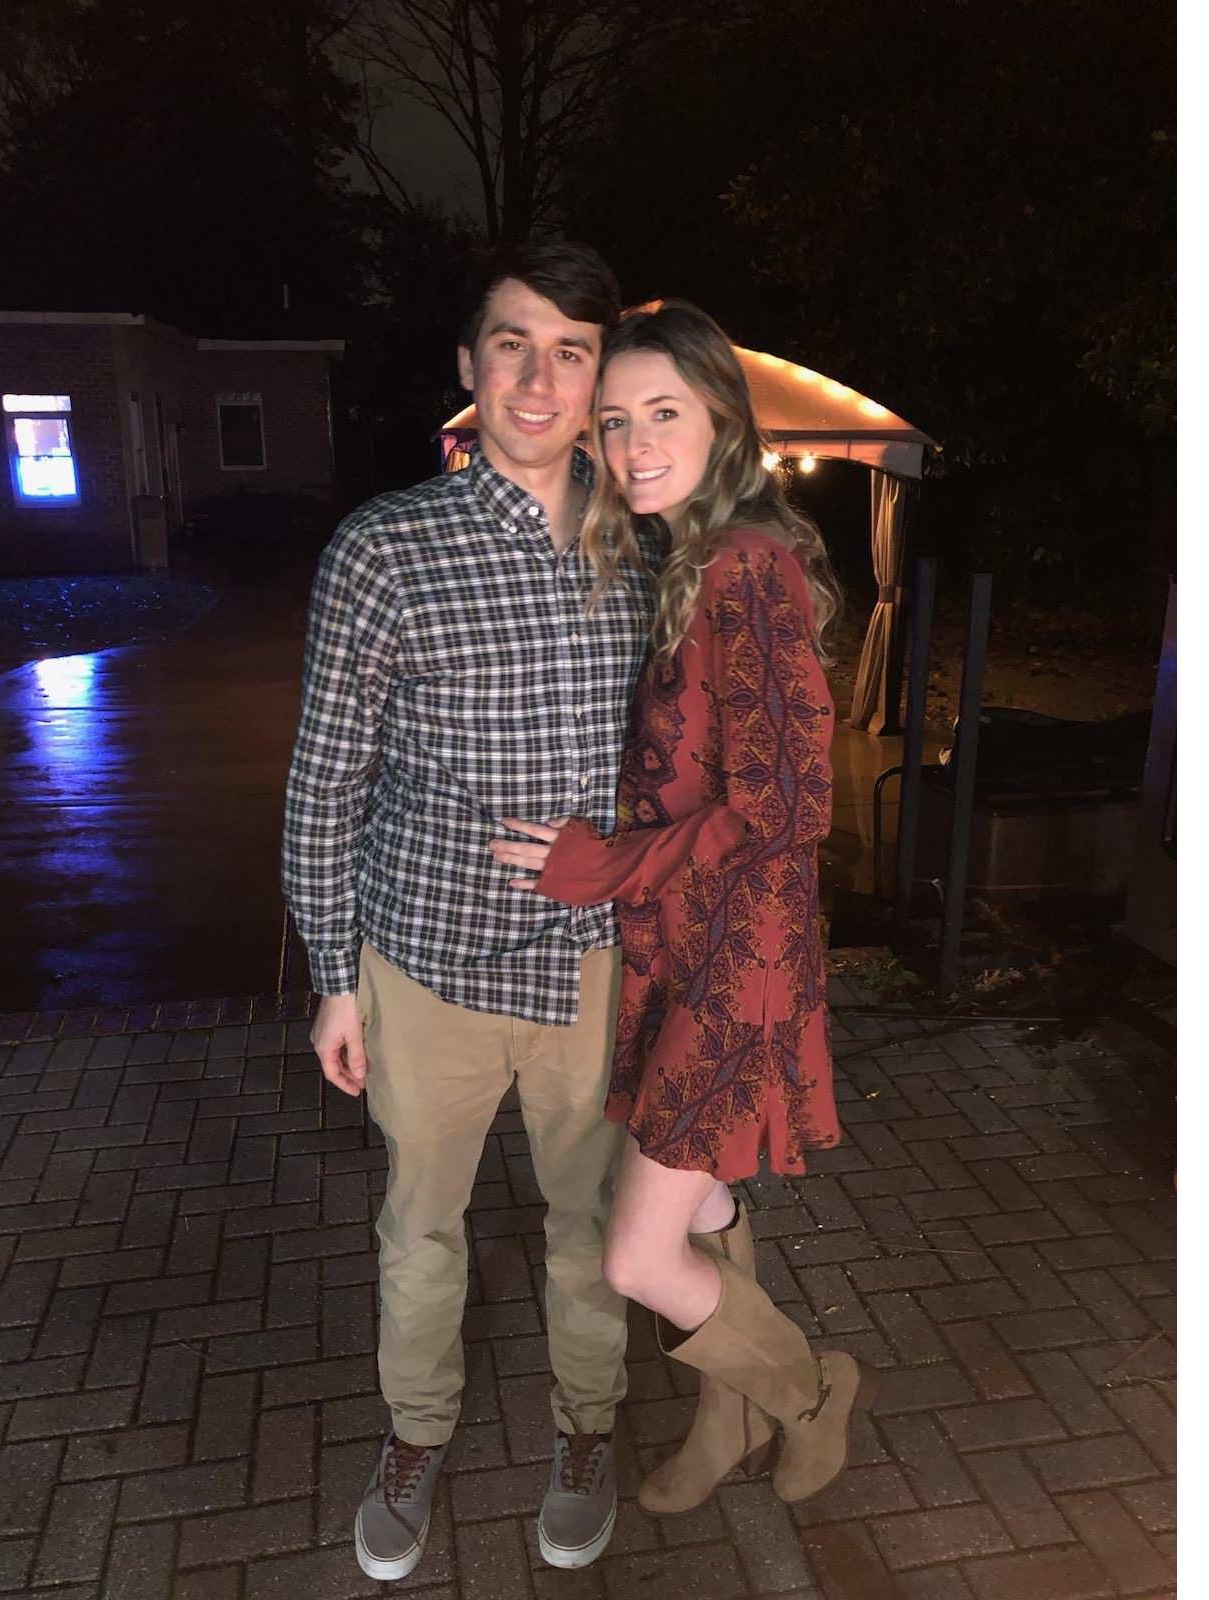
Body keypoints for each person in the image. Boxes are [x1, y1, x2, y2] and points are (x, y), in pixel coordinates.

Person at [282, 241, 658, 1581]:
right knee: (420, 1229)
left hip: (594, 967)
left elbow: (687, 766)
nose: (541, 379)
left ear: (598, 374)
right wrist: (335, 975)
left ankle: (586, 1426)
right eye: (514, 344)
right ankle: (416, 1433)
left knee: (590, 1221)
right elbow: (326, 777)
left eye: (571, 351)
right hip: (428, 965)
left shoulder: (645, 545)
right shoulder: (384, 549)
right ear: (468, 364)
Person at [489, 299, 876, 1516]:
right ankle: (728, 1419)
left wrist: (600, 866)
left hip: (734, 958)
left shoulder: (745, 568)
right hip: (686, 942)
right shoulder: (693, 561)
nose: (634, 442)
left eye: (664, 413)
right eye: (614, 421)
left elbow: (785, 805)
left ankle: (808, 1390)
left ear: (723, 423)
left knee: (635, 1249)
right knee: (699, 1200)